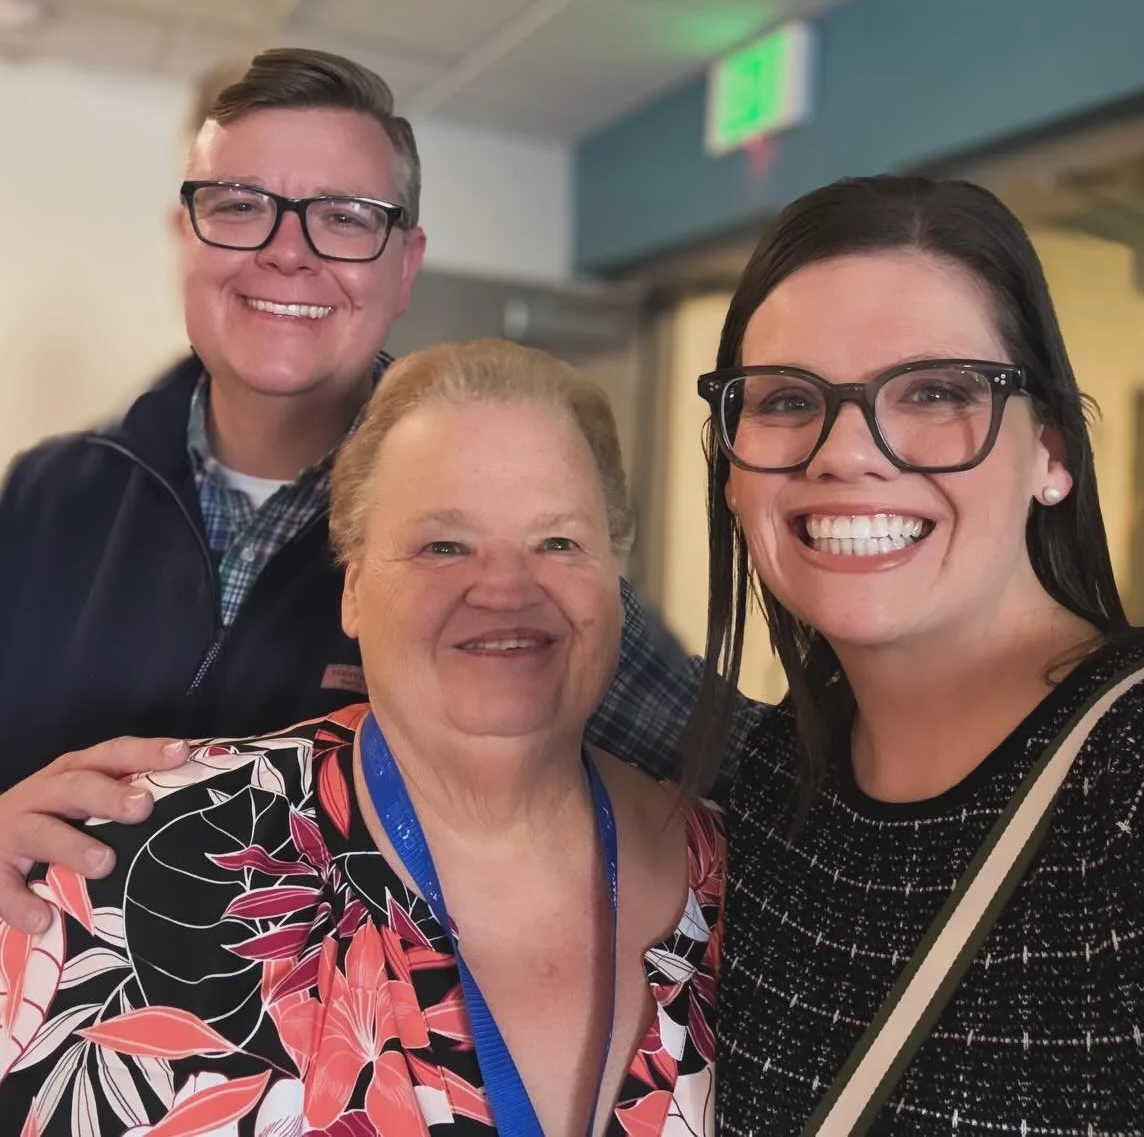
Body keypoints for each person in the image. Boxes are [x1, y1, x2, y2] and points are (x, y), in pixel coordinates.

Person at [690, 175, 1144, 1133]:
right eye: (788, 399)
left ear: (1052, 450)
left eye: (934, 391)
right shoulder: (767, 783)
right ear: (732, 469)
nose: (845, 452)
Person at [0, 48, 738, 936]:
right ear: (185, 234)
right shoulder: (48, 498)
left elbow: (747, 778)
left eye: (345, 218)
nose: (287, 253)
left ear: (405, 264)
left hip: (367, 1015)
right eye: (239, 206)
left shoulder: (492, 533)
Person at [0, 338, 724, 1136]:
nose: (506, 587)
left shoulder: (741, 887)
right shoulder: (116, 870)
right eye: (443, 544)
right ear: (352, 591)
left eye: (558, 541)